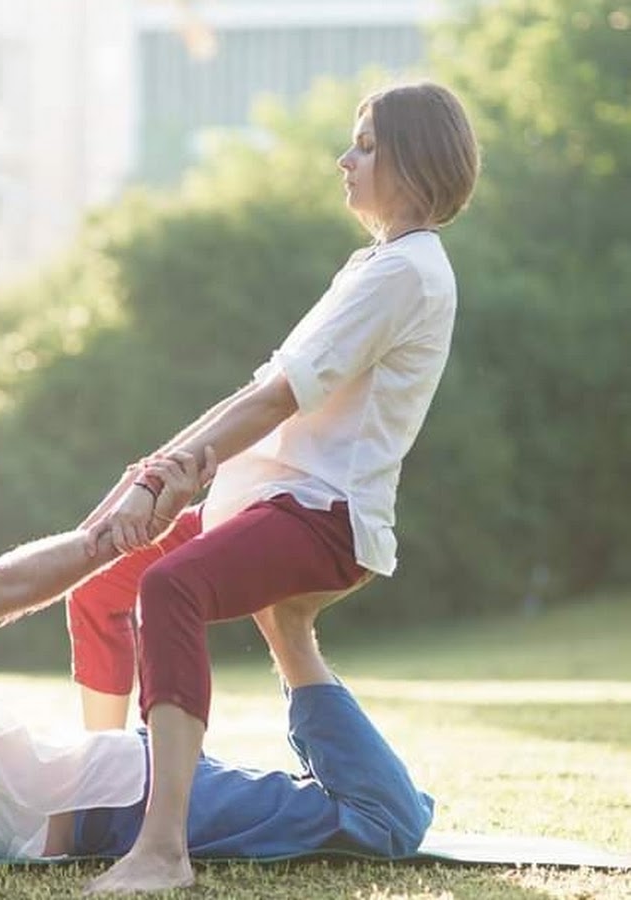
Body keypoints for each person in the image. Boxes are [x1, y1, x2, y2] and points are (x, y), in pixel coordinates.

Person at [72, 81, 479, 892]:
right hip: (265, 498)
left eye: (365, 144)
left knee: (167, 589)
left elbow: (274, 400)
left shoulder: (406, 273)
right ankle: (94, 792)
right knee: (100, 583)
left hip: (322, 514)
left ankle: (160, 848)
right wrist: (154, 471)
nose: (345, 158)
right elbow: (260, 386)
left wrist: (168, 482)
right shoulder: (373, 266)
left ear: (415, 160)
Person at [0, 454, 432, 869]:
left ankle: (290, 635)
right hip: (106, 799)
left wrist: (117, 537)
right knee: (351, 811)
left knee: (385, 821)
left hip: (118, 804)